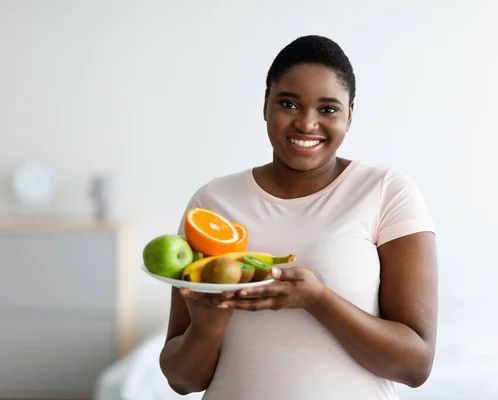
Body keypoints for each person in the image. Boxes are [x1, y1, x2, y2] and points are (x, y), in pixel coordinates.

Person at [159, 35, 438, 400]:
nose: (307, 123)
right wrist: (207, 330)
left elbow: (415, 366)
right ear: (265, 104)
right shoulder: (212, 203)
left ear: (350, 115)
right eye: (289, 103)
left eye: (328, 109)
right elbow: (182, 382)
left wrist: (318, 300)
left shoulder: (386, 191)